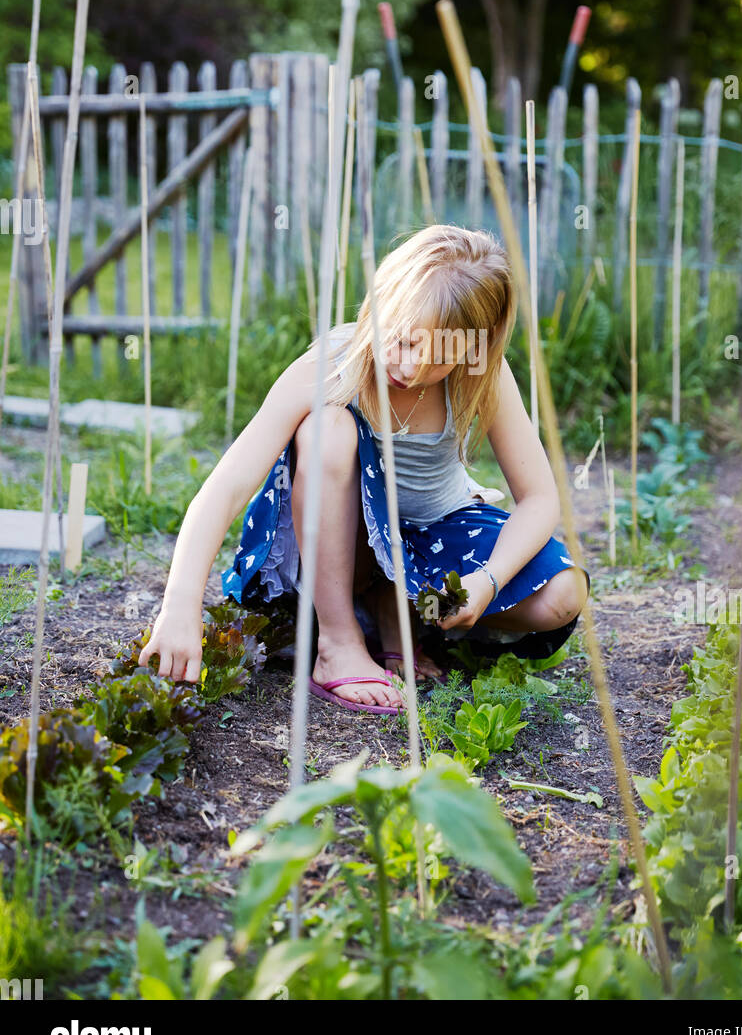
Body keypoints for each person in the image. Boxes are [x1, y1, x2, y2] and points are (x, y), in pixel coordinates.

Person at [140, 223, 589, 714]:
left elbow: (541, 498)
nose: (412, 367)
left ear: (473, 349)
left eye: (439, 358)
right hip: (340, 546)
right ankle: (338, 641)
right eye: (402, 340)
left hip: (428, 541)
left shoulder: (483, 373)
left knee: (562, 595)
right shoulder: (334, 361)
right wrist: (181, 603)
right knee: (327, 428)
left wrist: (488, 581)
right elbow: (227, 484)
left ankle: (404, 616)